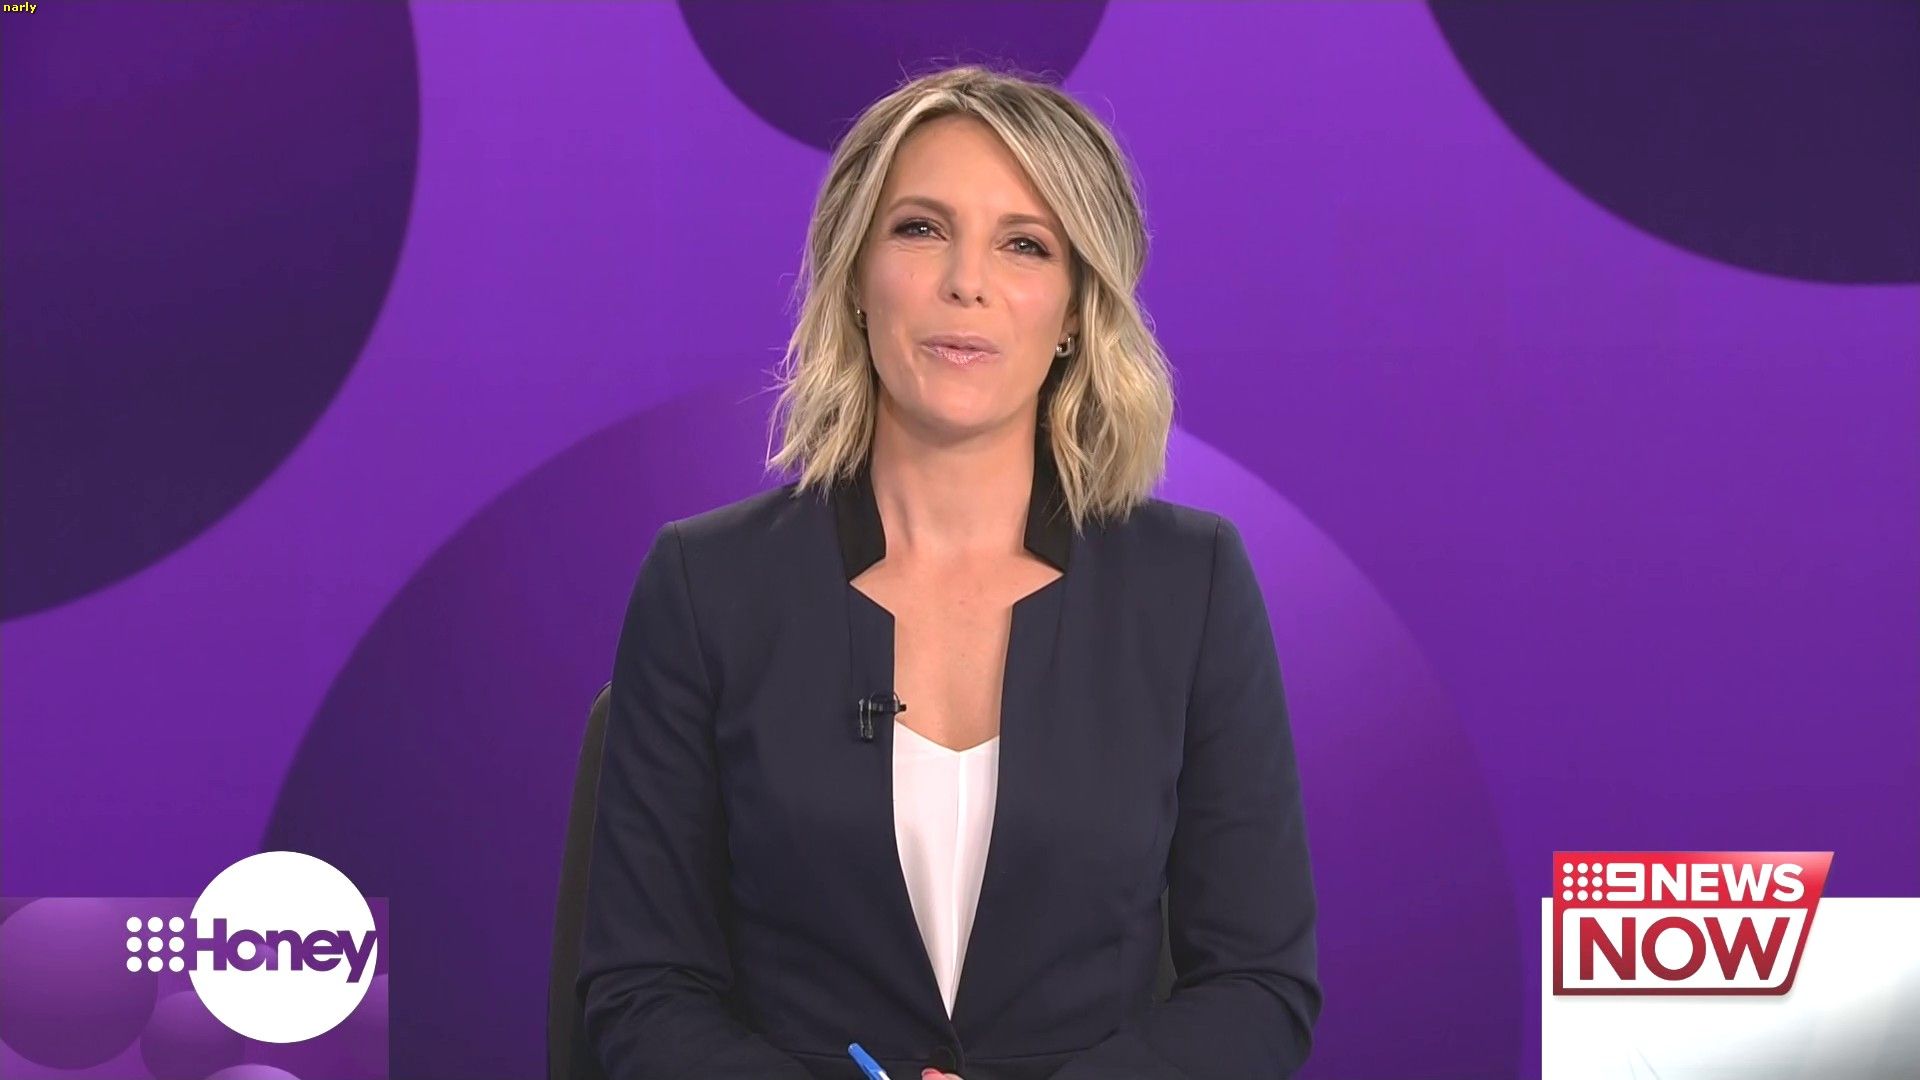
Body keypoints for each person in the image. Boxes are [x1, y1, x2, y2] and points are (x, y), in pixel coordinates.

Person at [576, 63, 1321, 1080]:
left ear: (1075, 310)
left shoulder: (1191, 585)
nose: (966, 281)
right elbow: (642, 992)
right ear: (856, 277)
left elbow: (1258, 987)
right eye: (922, 229)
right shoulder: (705, 586)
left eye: (1025, 244)